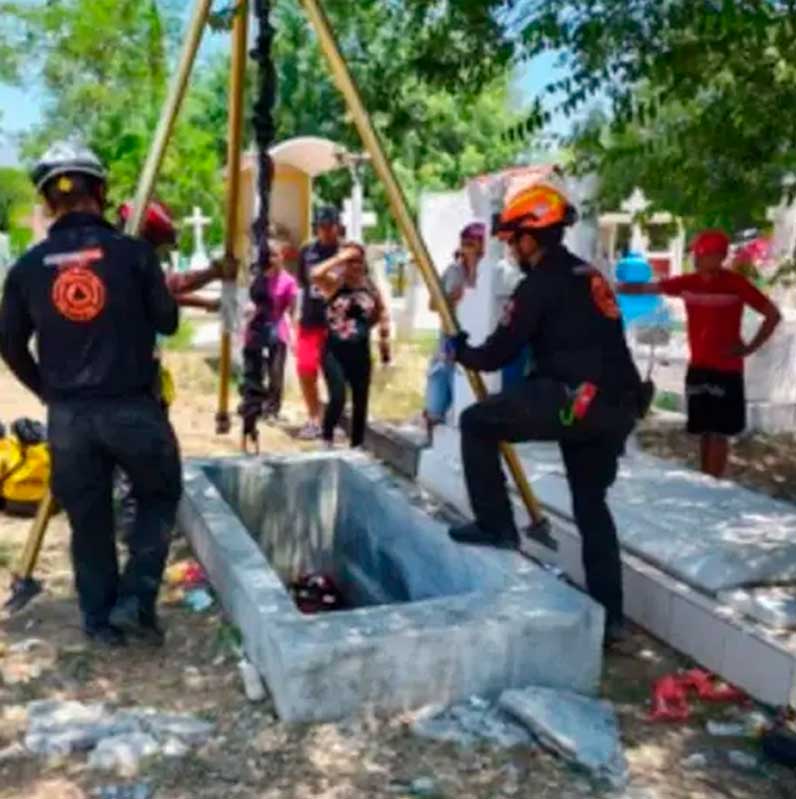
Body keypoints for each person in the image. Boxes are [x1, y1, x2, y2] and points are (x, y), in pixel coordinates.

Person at [445, 177, 645, 647]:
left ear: (531, 236)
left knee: (477, 423)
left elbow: (497, 354)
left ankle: (496, 526)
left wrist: (461, 350)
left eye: (513, 239)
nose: (511, 248)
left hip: (573, 399)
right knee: (591, 506)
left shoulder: (538, 284)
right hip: (617, 405)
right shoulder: (589, 274)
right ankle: (610, 617)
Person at [0, 141, 182, 648]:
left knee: (89, 519)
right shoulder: (133, 255)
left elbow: (9, 345)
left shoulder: (28, 268)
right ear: (100, 192)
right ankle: (134, 602)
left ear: (48, 202)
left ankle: (100, 623)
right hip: (132, 409)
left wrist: (49, 392)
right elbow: (168, 320)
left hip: (69, 419)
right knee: (159, 497)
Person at [618, 229, 781, 477]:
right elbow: (645, 288)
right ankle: (706, 481)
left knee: (719, 432)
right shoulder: (687, 283)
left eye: (701, 253)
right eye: (696, 253)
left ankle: (714, 484)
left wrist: (750, 347)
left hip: (727, 370)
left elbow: (772, 314)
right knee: (703, 430)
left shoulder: (736, 285)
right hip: (699, 367)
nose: (696, 258)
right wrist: (607, 284)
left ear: (718, 256)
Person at [311, 243, 390, 448]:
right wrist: (341, 257)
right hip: (334, 352)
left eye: (358, 260)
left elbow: (381, 311)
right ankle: (326, 438)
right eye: (350, 261)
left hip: (360, 352)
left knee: (360, 402)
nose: (354, 265)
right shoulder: (334, 284)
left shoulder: (370, 286)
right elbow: (315, 273)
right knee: (338, 396)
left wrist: (381, 337)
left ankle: (357, 446)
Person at [424, 223, 485, 438]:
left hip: (478, 336)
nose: (469, 247)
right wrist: (452, 299)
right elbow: (433, 304)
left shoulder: (490, 271)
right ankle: (433, 425)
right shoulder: (453, 272)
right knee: (441, 377)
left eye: (474, 243)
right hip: (450, 335)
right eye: (466, 243)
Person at [239, 238, 298, 443]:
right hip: (256, 328)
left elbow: (292, 309)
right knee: (254, 370)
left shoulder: (288, 281)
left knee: (275, 371)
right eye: (268, 255)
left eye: (275, 254)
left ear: (282, 257)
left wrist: (294, 332)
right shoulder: (258, 279)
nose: (271, 259)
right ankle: (252, 404)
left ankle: (272, 408)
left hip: (277, 328)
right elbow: (250, 301)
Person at [295, 206, 341, 439]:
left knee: (336, 375)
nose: (323, 231)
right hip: (310, 319)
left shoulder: (346, 252)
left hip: (337, 323)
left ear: (337, 226)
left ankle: (335, 417)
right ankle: (314, 417)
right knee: (305, 369)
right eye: (319, 226)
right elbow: (303, 283)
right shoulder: (307, 251)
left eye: (327, 226)